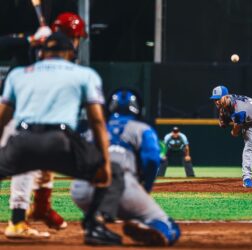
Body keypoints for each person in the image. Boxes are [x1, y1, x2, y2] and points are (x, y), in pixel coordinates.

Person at [0, 32, 122, 245]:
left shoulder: (18, 74)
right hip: (60, 143)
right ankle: (93, 227)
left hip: (22, 142)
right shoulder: (84, 74)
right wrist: (104, 162)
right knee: (115, 173)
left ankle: (26, 215)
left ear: (41, 53)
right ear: (70, 54)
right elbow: (97, 122)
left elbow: (1, 120)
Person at [1, 12, 88, 237]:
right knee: (26, 162)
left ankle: (41, 208)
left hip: (32, 115)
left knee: (40, 159)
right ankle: (18, 221)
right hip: (13, 112)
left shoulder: (62, 54)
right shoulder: (40, 44)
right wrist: (30, 40)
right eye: (78, 37)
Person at [70, 89, 181, 246]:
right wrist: (146, 188)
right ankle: (145, 224)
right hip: (123, 188)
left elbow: (76, 159)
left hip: (81, 191)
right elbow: (151, 161)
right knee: (170, 227)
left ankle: (95, 219)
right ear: (139, 109)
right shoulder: (142, 129)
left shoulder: (93, 130)